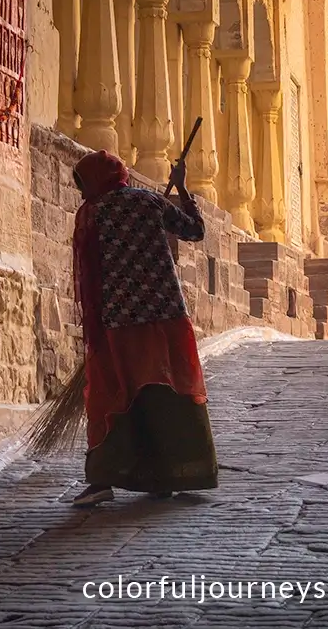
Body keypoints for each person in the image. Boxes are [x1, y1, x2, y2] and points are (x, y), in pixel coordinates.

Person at [70, 147, 219, 507]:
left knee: (115, 395)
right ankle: (173, 471)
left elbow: (91, 274)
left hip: (120, 318)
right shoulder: (149, 201)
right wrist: (181, 189)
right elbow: (196, 231)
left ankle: (104, 478)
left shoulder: (92, 213)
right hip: (166, 312)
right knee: (168, 388)